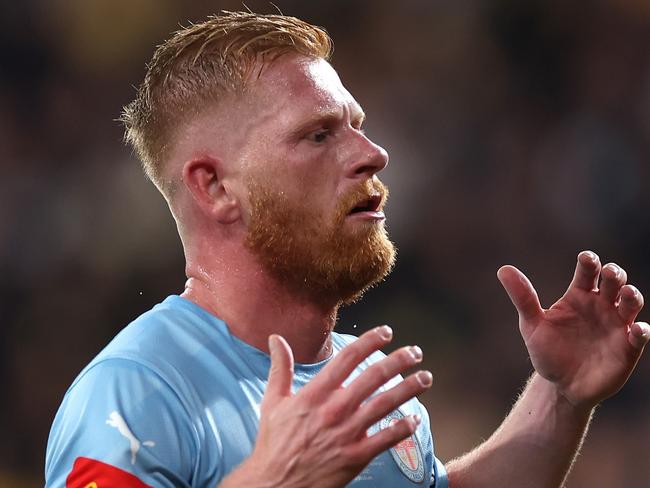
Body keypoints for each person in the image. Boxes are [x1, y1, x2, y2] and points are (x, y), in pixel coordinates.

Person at [45, 11, 649, 488]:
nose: (373, 153)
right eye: (318, 134)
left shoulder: (357, 379)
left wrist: (559, 398)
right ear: (216, 187)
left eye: (356, 124)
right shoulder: (137, 392)